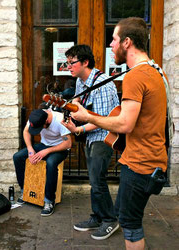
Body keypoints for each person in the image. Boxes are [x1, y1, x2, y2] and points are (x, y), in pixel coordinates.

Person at [71, 17, 169, 250]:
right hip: (150, 160)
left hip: (140, 163)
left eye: (114, 40)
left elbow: (125, 124)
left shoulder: (135, 75)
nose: (110, 45)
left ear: (127, 42)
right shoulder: (155, 71)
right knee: (130, 220)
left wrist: (87, 118)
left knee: (130, 224)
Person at [61, 44, 120, 240]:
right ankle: (97, 216)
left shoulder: (102, 83)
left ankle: (110, 220)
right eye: (67, 62)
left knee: (98, 181)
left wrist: (77, 129)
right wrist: (72, 107)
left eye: (72, 62)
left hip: (103, 136)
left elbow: (103, 119)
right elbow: (79, 102)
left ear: (85, 62)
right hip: (91, 136)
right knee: (94, 181)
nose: (68, 66)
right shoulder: (80, 80)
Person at [13, 109, 72, 216]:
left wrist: (47, 151)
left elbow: (68, 144)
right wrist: (30, 149)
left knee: (51, 163)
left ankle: (49, 201)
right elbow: (26, 131)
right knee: (17, 157)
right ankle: (24, 191)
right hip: (43, 145)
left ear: (47, 121)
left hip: (59, 148)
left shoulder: (60, 120)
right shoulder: (35, 117)